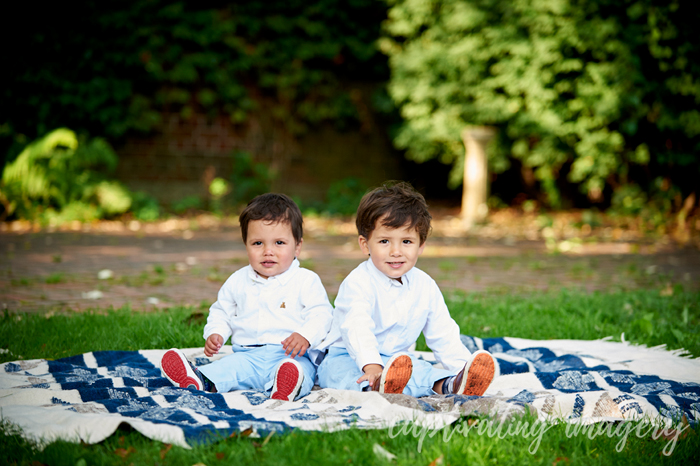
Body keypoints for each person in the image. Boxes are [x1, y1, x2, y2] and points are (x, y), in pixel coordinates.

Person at [317, 181, 497, 396]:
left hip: (397, 362)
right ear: (365, 244)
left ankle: (454, 384)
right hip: (348, 356)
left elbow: (443, 333)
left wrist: (461, 366)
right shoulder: (358, 282)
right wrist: (372, 365)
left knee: (422, 370)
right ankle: (375, 385)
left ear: (421, 245)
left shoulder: (425, 285)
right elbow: (357, 327)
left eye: (407, 241)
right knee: (341, 374)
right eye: (384, 241)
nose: (396, 251)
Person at [161, 193, 333, 401]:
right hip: (247, 356)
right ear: (246, 245)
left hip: (291, 355)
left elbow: (322, 314)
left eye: (279, 243)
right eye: (258, 243)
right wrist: (216, 332)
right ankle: (200, 380)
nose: (268, 251)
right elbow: (222, 311)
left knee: (299, 370)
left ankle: (286, 386)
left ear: (297, 246)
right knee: (227, 368)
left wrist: (306, 335)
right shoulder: (238, 280)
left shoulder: (306, 280)